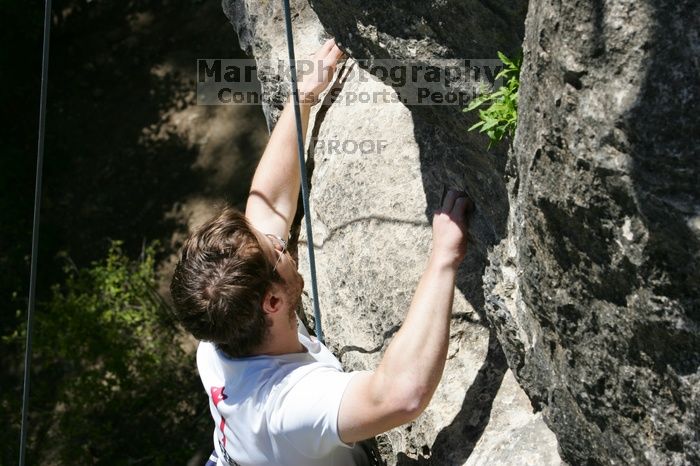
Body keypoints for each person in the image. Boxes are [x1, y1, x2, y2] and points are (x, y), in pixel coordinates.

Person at [170, 39, 472, 466]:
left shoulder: (217, 338)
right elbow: (401, 394)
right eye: (277, 249)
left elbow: (270, 204)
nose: (280, 238)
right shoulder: (289, 406)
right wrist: (444, 256)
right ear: (272, 301)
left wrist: (303, 97)